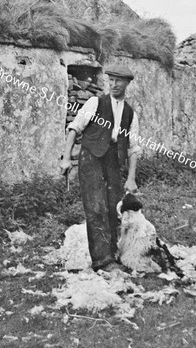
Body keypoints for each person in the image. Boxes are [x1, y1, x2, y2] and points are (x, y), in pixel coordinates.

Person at [59, 64, 140, 272]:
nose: (113, 85)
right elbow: (74, 128)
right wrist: (66, 158)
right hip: (91, 157)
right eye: (110, 80)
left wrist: (131, 178)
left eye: (118, 81)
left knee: (114, 208)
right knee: (96, 208)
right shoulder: (95, 102)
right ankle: (102, 262)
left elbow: (133, 148)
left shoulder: (131, 114)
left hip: (113, 160)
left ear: (127, 83)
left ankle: (112, 255)